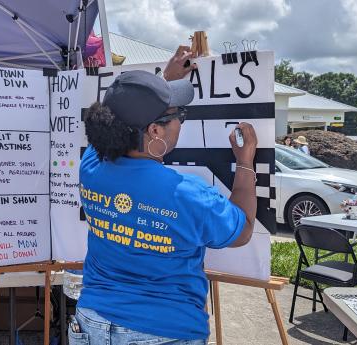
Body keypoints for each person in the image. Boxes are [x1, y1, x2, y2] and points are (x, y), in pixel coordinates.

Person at [70, 47, 258, 345]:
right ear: (155, 131)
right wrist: (246, 162)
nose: (181, 122)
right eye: (178, 115)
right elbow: (243, 229)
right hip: (164, 330)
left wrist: (165, 79)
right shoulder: (187, 194)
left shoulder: (91, 167)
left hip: (92, 321)